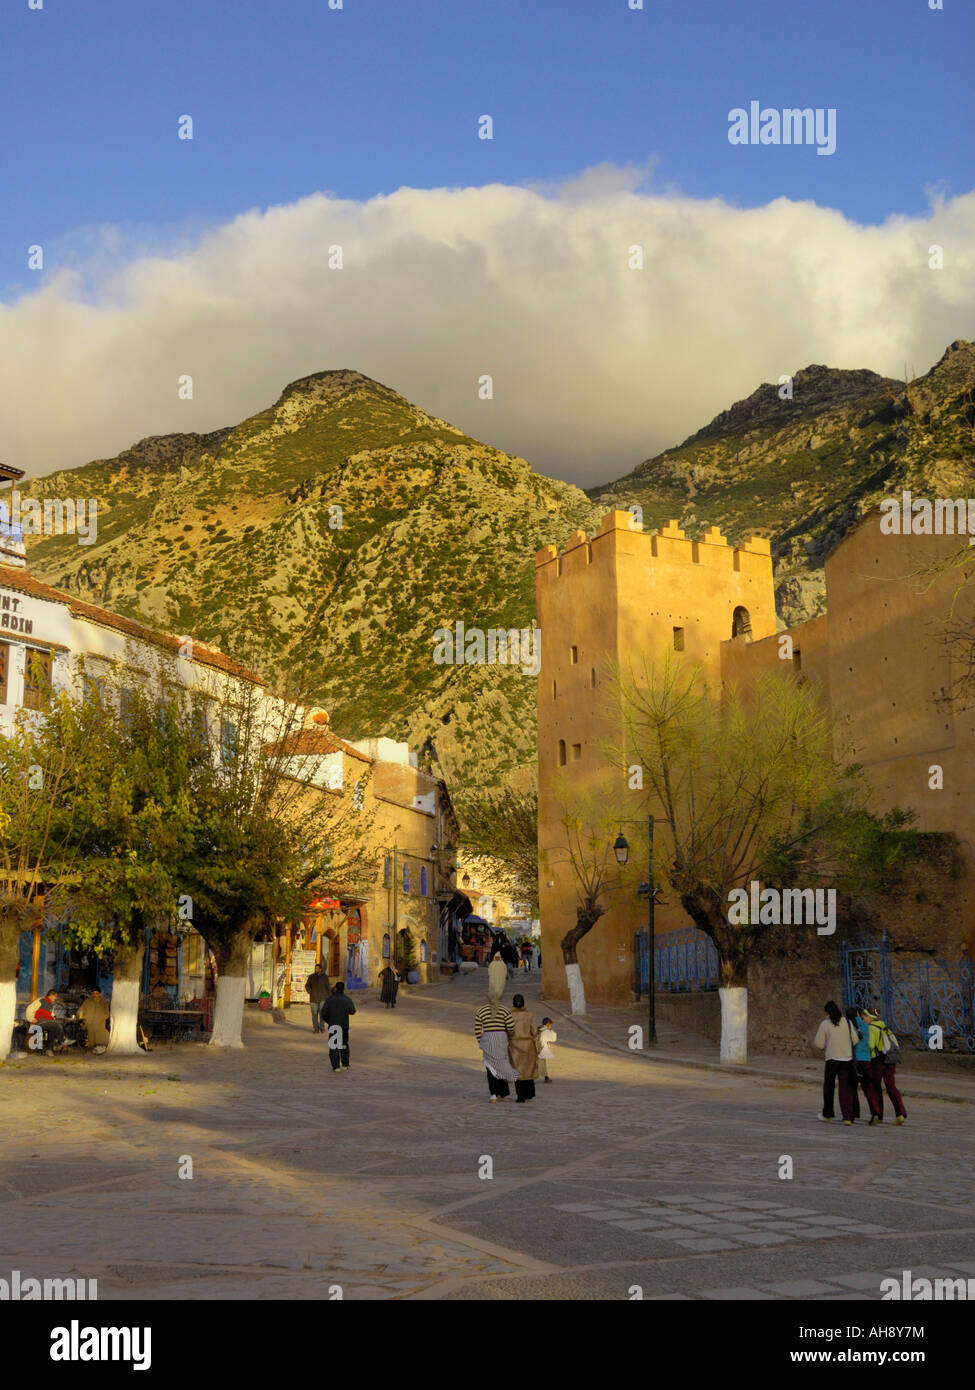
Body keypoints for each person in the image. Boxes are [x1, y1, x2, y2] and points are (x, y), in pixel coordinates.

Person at [814, 1000, 857, 1124]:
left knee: (829, 1087)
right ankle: (848, 1116)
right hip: (847, 1059)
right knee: (845, 1088)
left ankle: (828, 1113)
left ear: (827, 1012)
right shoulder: (847, 1022)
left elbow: (819, 1043)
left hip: (832, 1059)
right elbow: (855, 1039)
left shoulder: (825, 1024)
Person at [862, 1007, 907, 1125]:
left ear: (870, 1017)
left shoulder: (871, 1028)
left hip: (878, 1061)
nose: (864, 1019)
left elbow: (871, 1045)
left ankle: (878, 1114)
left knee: (875, 1087)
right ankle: (900, 1113)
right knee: (891, 1086)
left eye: (865, 1016)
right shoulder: (884, 1026)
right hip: (890, 1060)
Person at [474, 998, 519, 1102]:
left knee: (490, 1067)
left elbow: (477, 1029)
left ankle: (494, 1093)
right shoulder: (504, 1010)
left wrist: (481, 1041)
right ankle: (502, 1093)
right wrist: (508, 1036)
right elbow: (511, 1027)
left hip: (488, 1040)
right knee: (502, 1065)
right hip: (501, 1040)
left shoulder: (481, 1011)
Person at [846, 1005, 880, 1122]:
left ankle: (852, 1114)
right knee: (868, 1088)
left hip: (854, 1061)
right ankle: (875, 1112)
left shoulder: (849, 1026)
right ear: (858, 1014)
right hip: (866, 1059)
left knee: (851, 1089)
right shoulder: (866, 1026)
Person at [508, 993, 539, 1102]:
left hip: (515, 1045)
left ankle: (520, 1096)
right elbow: (534, 1031)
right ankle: (529, 1093)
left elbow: (508, 1030)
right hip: (528, 1045)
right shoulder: (529, 1015)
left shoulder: (510, 1015)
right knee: (528, 1069)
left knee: (518, 1070)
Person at [322, 981, 356, 1071]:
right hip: (344, 1025)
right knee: (344, 1044)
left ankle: (336, 1066)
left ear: (336, 988)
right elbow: (352, 1011)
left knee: (334, 1046)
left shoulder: (330, 999)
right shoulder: (347, 999)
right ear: (343, 989)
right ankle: (345, 1064)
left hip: (333, 1025)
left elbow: (324, 1012)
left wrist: (329, 1020)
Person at [305, 962, 331, 1033]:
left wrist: (329, 997)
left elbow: (328, 987)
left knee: (322, 1014)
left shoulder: (325, 977)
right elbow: (307, 986)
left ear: (320, 969)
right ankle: (316, 1028)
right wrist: (311, 992)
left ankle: (322, 1028)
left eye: (317, 968)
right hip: (313, 999)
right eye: (315, 968)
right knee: (314, 1014)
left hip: (323, 998)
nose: (316, 970)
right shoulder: (311, 977)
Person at [537, 1017, 557, 1083]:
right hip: (541, 1048)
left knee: (539, 1063)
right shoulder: (546, 1031)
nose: (551, 1026)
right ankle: (545, 1077)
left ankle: (546, 1077)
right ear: (548, 1024)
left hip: (536, 1048)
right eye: (551, 1025)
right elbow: (553, 1038)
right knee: (541, 1064)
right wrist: (552, 1031)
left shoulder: (539, 1028)